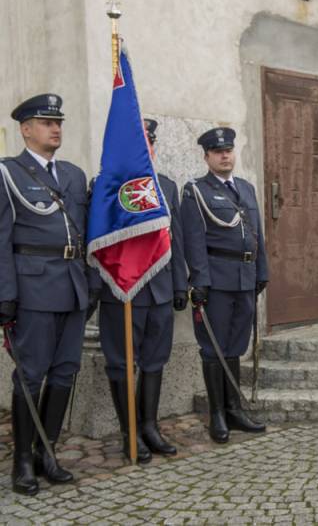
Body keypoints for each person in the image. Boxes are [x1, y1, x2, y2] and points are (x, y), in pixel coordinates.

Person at [0, 94, 89, 495]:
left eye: (59, 123)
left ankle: (46, 453)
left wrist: (91, 283)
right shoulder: (8, 174)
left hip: (73, 286)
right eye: (46, 122)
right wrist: (5, 294)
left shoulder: (73, 175)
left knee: (66, 370)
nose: (56, 129)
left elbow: (84, 233)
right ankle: (22, 461)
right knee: (31, 375)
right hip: (33, 288)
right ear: (25, 129)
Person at [89, 118, 188, 463]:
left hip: (159, 290)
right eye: (139, 140)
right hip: (122, 291)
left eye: (149, 142)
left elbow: (176, 240)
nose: (146, 147)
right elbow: (97, 242)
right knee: (121, 363)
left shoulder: (166, 186)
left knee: (154, 361)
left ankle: (149, 426)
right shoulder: (104, 185)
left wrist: (179, 285)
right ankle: (128, 432)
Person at [181, 127, 267, 443]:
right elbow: (193, 240)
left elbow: (257, 234)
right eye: (218, 152)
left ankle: (234, 410)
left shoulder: (246, 188)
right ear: (207, 157)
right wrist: (200, 280)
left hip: (245, 277)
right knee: (213, 347)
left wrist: (262, 270)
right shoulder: (196, 191)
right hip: (216, 280)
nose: (225, 156)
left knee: (236, 345)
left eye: (228, 150)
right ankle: (217, 414)